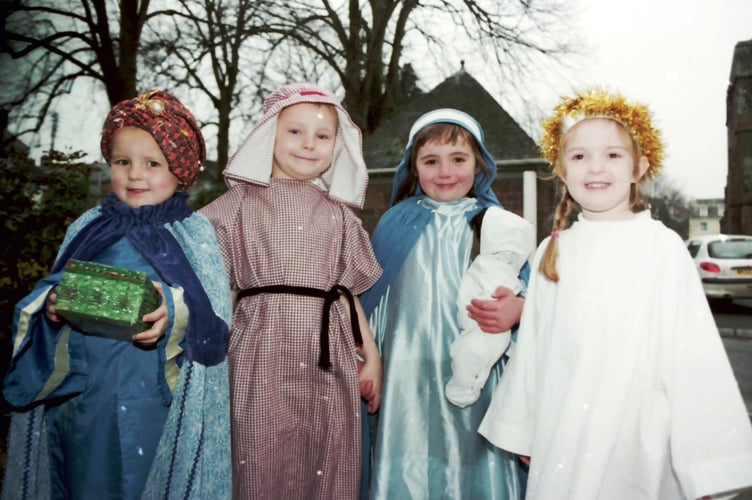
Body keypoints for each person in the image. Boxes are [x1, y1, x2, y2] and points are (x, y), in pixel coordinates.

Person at [479, 89, 752, 499]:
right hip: (564, 431)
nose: (595, 168)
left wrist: (702, 465)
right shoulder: (552, 251)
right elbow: (534, 349)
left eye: (612, 155)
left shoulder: (663, 248)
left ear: (638, 167)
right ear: (562, 170)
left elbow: (692, 354)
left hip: (641, 435)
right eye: (579, 156)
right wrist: (526, 430)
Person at [2, 89, 233, 499]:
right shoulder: (87, 227)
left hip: (151, 404)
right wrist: (52, 307)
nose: (135, 175)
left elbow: (213, 327)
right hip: (81, 403)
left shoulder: (197, 236)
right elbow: (50, 293)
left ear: (180, 170)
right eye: (123, 162)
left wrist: (173, 311)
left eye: (152, 163)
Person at [200, 82, 383, 499]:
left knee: (326, 453)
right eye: (295, 131)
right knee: (257, 451)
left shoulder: (340, 215)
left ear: (337, 147)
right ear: (270, 135)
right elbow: (204, 275)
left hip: (327, 358)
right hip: (257, 352)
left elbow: (348, 292)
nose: (308, 144)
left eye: (322, 136)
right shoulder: (238, 204)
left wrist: (370, 355)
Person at [360, 108, 528, 499]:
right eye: (431, 161)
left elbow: (526, 293)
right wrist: (371, 361)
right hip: (407, 376)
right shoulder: (394, 223)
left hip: (479, 378)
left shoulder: (496, 224)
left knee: (472, 461)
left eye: (458, 159)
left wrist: (520, 307)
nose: (445, 171)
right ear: (413, 167)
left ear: (479, 164)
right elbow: (374, 303)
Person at [445, 206, 534, 408]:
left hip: (484, 321)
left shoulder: (488, 263)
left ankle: (465, 387)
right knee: (476, 354)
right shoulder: (495, 265)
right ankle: (463, 389)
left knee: (475, 355)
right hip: (486, 323)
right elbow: (499, 291)